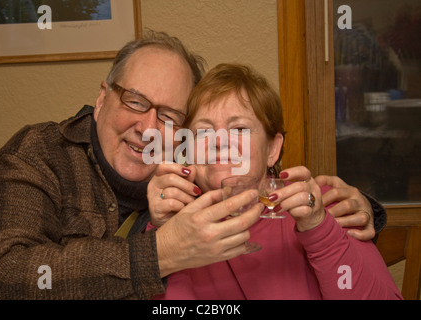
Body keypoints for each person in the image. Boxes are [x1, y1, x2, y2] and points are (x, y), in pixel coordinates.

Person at [0, 31, 384, 299]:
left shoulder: (188, 177)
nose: (148, 128)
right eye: (134, 101)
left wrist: (355, 207)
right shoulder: (41, 154)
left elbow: (254, 171)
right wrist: (160, 252)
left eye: (170, 116)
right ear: (101, 99)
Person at [147, 63, 402, 299]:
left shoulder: (324, 204)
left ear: (272, 149)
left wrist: (319, 229)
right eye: (203, 131)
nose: (219, 141)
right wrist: (165, 236)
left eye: (239, 129)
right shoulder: (173, 221)